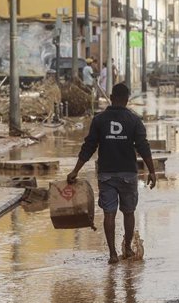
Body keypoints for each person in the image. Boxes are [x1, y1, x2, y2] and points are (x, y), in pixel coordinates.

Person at [67, 83, 157, 265]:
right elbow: (143, 146)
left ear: (110, 96)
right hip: (128, 174)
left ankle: (113, 254)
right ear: (127, 98)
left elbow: (89, 146)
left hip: (106, 174)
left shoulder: (100, 120)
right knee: (129, 212)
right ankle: (128, 249)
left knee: (109, 214)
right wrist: (152, 171)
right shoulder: (134, 120)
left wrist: (76, 170)